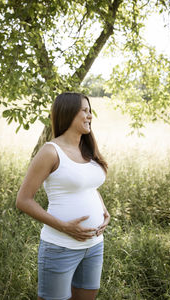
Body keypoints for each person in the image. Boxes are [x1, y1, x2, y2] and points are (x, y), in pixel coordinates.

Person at [16, 92, 110, 300]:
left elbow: (89, 186)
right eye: (84, 111)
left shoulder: (87, 148)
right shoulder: (51, 151)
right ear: (68, 113)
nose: (90, 116)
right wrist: (65, 227)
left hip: (94, 245)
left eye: (90, 111)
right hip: (60, 247)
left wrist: (104, 211)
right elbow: (23, 200)